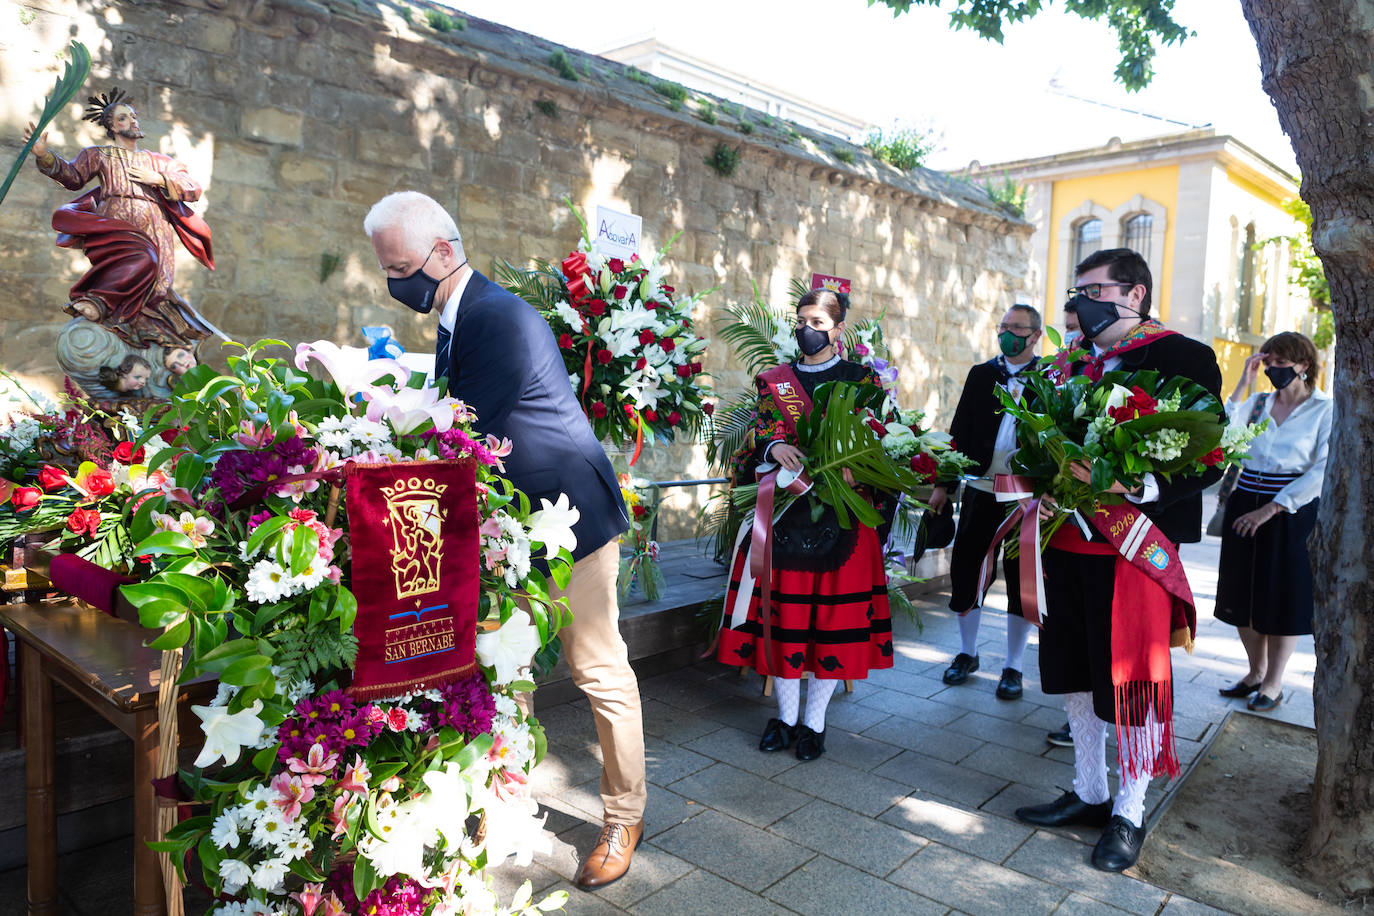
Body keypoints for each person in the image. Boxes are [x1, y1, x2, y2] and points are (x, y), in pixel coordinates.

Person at [364, 192, 645, 891]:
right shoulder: (458, 319)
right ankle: (505, 802)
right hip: (516, 524)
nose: (397, 283)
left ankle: (624, 814)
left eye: (401, 267)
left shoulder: (496, 318)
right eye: (388, 269)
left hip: (569, 518)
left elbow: (456, 433)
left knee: (598, 669)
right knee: (505, 665)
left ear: (444, 251)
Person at [1014, 249, 1222, 873]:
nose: (1080, 303)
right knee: (1073, 667)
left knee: (1129, 678)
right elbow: (1036, 443)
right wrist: (1044, 482)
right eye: (1075, 292)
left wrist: (1136, 488)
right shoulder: (1066, 364)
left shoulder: (1185, 356)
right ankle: (1089, 790)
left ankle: (1129, 811)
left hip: (1133, 545)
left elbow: (1208, 456)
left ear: (1133, 295)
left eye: (1093, 290)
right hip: (1065, 540)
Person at [716, 288, 895, 762]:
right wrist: (772, 448)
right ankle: (785, 718)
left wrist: (862, 468)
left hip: (844, 521)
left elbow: (885, 443)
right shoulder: (775, 381)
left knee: (832, 625)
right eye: (800, 319)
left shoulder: (864, 381)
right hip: (786, 515)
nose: (806, 329)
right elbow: (759, 434)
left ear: (838, 329)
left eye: (817, 321)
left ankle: (814, 724)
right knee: (786, 621)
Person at [23, 88, 215, 350]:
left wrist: (159, 179)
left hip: (156, 226)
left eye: (134, 116)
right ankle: (97, 302)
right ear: (111, 127)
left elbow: (192, 187)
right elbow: (72, 177)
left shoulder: (158, 161)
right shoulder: (99, 155)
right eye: (124, 118)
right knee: (141, 258)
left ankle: (139, 336)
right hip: (114, 226)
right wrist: (44, 156)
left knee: (157, 288)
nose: (133, 121)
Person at [930, 304, 1042, 700]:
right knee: (967, 573)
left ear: (1035, 336)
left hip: (1023, 499)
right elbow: (957, 430)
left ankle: (1013, 667)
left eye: (1016, 328)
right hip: (979, 488)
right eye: (1003, 327)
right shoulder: (982, 375)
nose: (1007, 334)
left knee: (1020, 581)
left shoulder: (1051, 379)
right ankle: (967, 653)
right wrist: (943, 484)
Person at [1215, 332, 1330, 711]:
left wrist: (1272, 509)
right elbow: (1223, 435)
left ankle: (1273, 684)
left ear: (1304, 366)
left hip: (1291, 510)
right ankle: (1254, 672)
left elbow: (1322, 470)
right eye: (1269, 362)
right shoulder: (1257, 403)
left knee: (1282, 596)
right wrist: (1242, 383)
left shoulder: (1324, 409)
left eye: (1283, 363)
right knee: (1240, 591)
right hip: (1245, 497)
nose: (1274, 369)